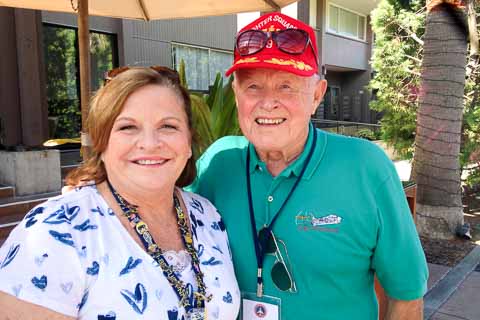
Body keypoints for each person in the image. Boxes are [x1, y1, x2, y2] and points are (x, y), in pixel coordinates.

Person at [188, 12, 428, 319]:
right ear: (236, 95)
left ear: (316, 96)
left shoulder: (366, 167)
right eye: (253, 87)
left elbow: (406, 296)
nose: (268, 102)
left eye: (286, 86)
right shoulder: (217, 164)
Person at [0, 67, 240, 319]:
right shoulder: (56, 231)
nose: (150, 143)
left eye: (168, 126)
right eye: (128, 127)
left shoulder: (207, 215)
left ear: (189, 142)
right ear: (102, 144)